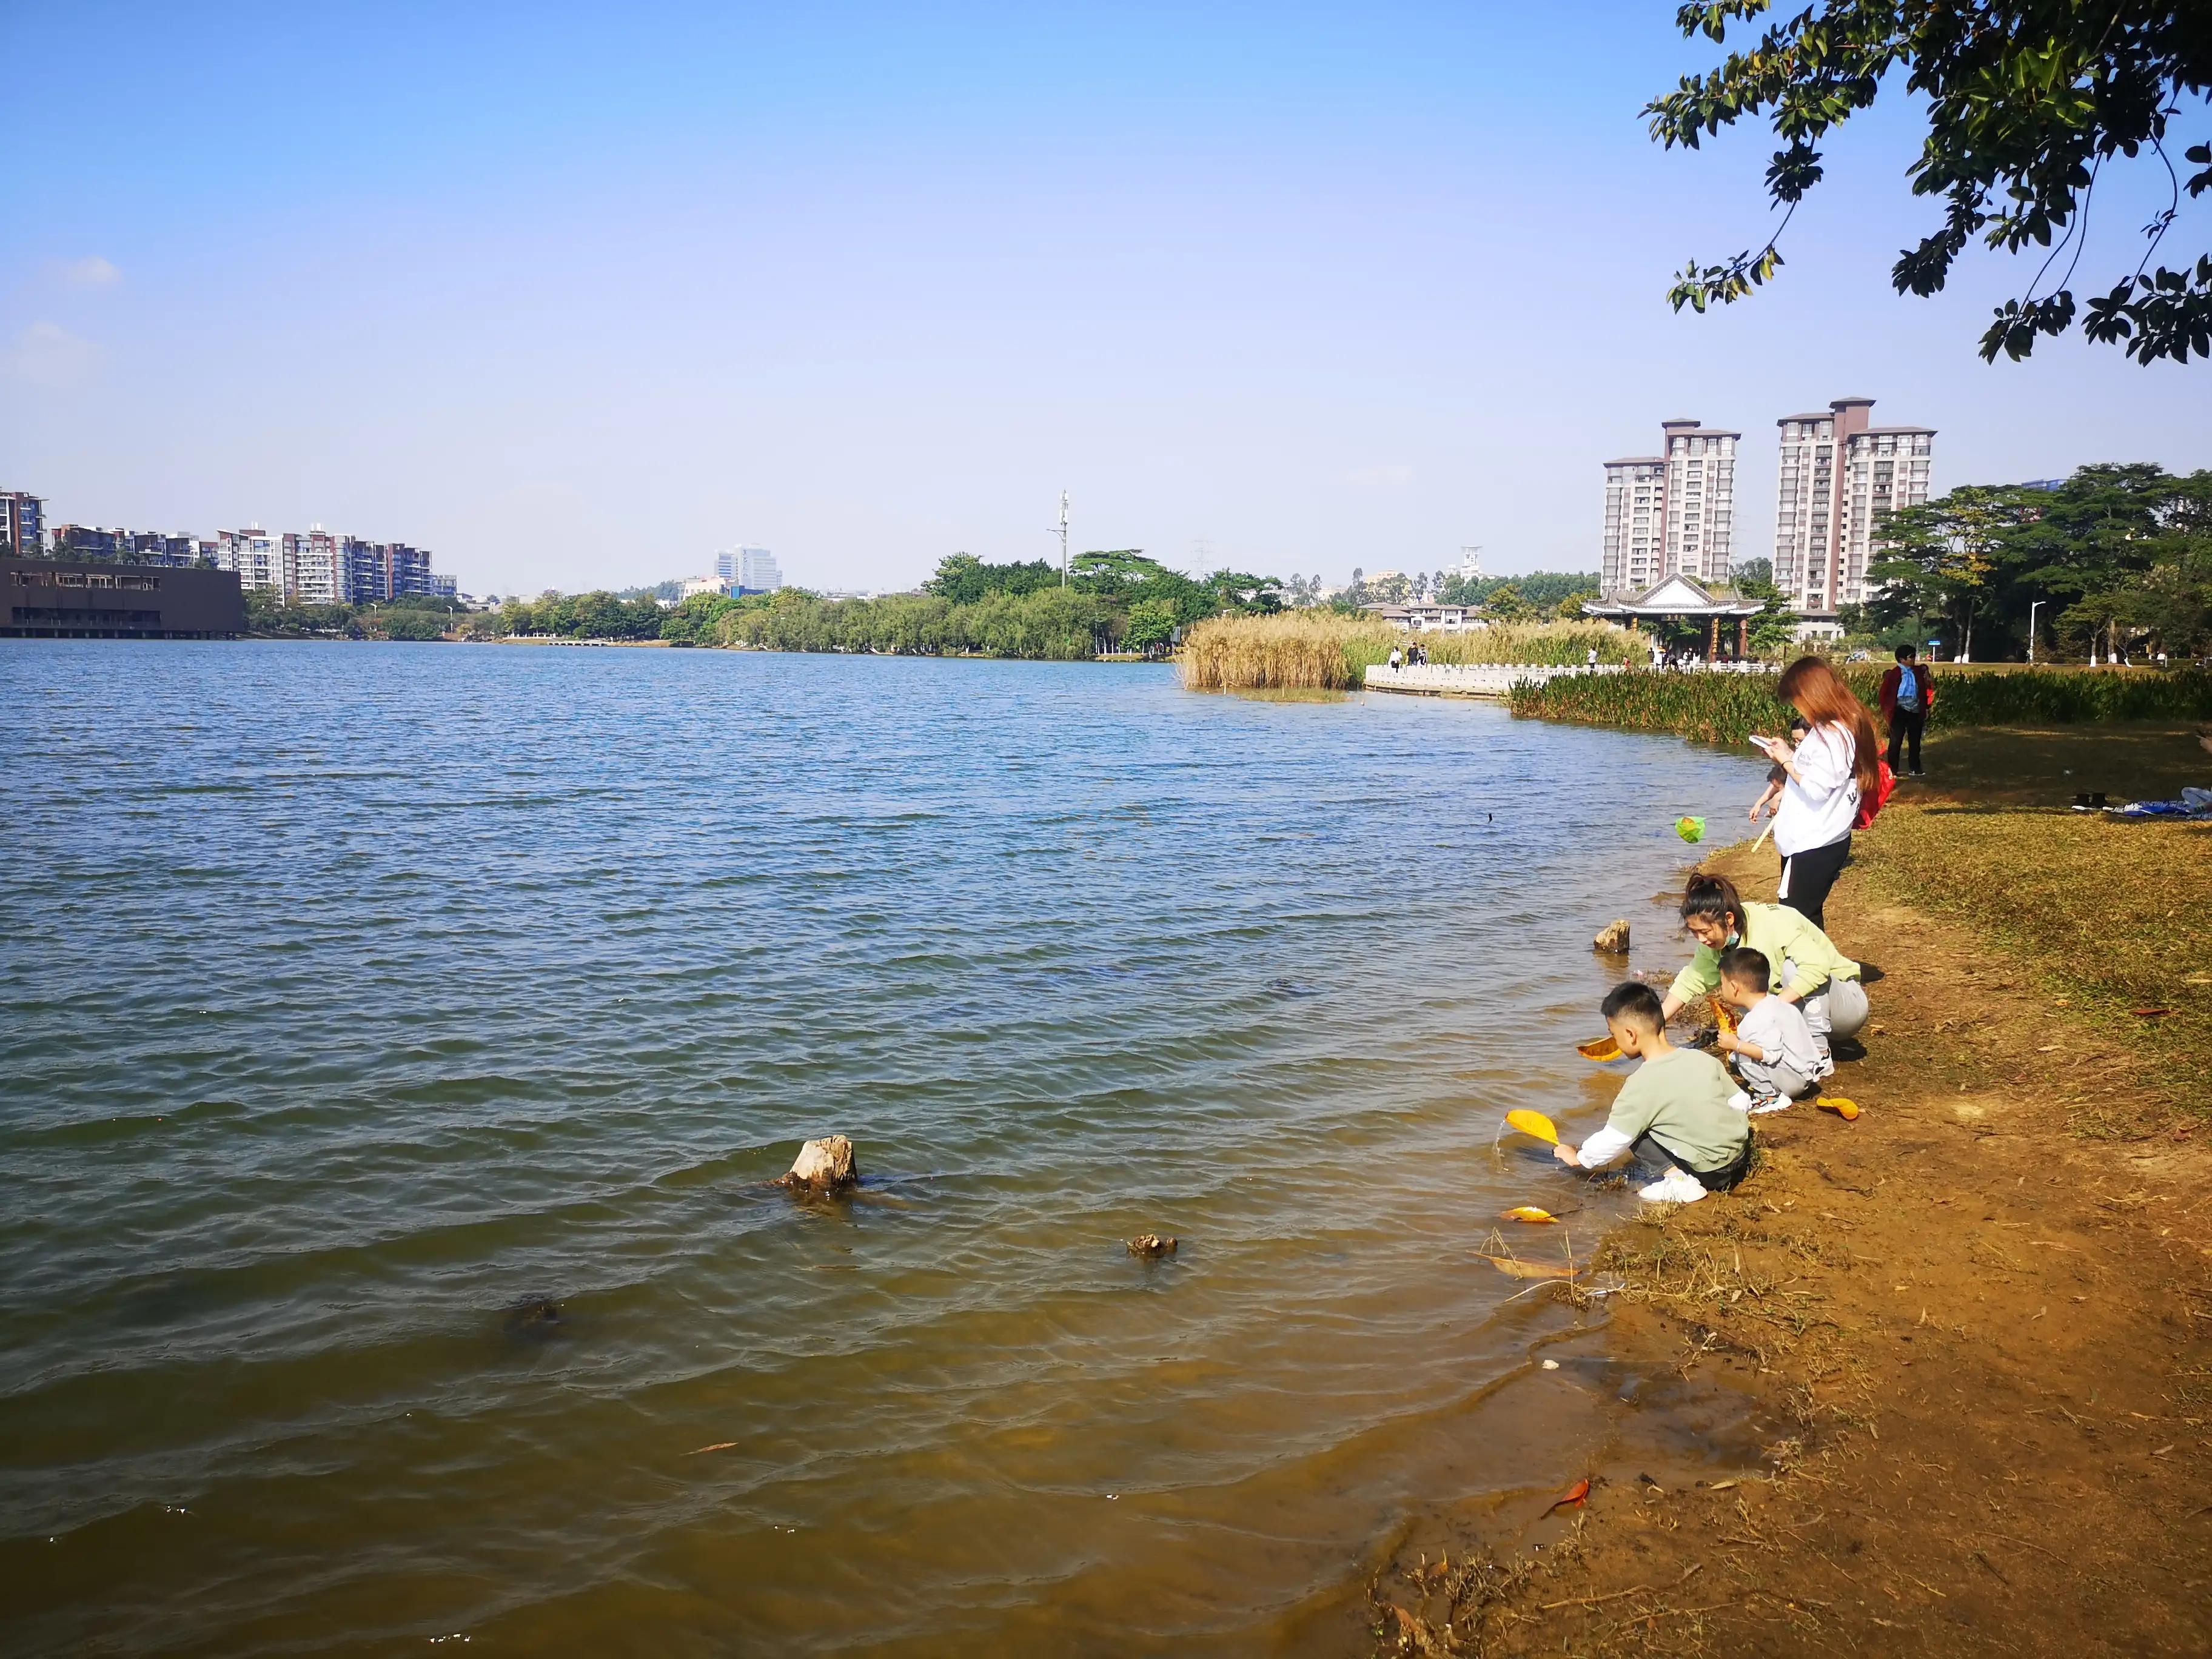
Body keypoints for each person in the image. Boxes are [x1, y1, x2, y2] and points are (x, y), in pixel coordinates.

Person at [1552, 982, 1752, 1205]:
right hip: (1739, 1157)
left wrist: (1579, 1158)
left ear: (1631, 1035)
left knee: (1636, 1131)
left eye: (1614, 1035)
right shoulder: (1701, 1059)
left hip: (1711, 1172)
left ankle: (1679, 1182)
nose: (1615, 1042)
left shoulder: (1639, 1085)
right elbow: (1740, 1100)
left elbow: (1614, 1140)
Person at [1661, 871, 1868, 1073]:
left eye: (1705, 932)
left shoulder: (1772, 922)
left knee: (1791, 970)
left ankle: (1820, 1056)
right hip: (1796, 1015)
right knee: (1739, 986)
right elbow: (1689, 982)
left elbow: (1817, 966)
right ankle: (1795, 1051)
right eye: (1694, 933)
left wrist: (1771, 1009)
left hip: (1845, 1008)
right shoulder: (1714, 945)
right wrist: (1654, 1023)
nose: (1701, 940)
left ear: (1729, 919)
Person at [1753, 656, 1882, 931]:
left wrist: (1785, 761)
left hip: (1815, 842)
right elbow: (1819, 774)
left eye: (1798, 700)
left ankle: (1809, 972)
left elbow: (1816, 787)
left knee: (1794, 921)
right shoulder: (1836, 728)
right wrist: (1788, 753)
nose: (1799, 708)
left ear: (1812, 695)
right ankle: (1817, 971)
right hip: (1815, 839)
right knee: (1806, 919)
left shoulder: (1833, 734)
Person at [1712, 945, 1823, 1111]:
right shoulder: (1779, 1004)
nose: (1721, 989)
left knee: (1743, 1055)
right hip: (1805, 1073)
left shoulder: (1756, 1019)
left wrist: (1735, 1045)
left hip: (1792, 1081)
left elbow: (1771, 1055)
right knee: (1740, 1054)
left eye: (1722, 984)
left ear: (1735, 987)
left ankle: (1768, 1096)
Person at [1879, 644, 1932, 778]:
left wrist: (1925, 707)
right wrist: (1887, 709)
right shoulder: (1894, 674)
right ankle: (1893, 769)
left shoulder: (1917, 672)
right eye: (1911, 657)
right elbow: (1884, 693)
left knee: (1915, 741)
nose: (1913, 659)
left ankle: (1915, 768)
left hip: (1915, 710)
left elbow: (1924, 690)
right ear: (1902, 659)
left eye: (1914, 656)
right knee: (1896, 741)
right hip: (1899, 710)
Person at [1747, 717, 1812, 825]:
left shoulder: (1817, 758)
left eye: (1800, 741)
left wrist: (1779, 796)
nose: (1796, 745)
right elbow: (1779, 782)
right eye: (1794, 741)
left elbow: (1810, 785)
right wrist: (1759, 804)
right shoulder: (1797, 755)